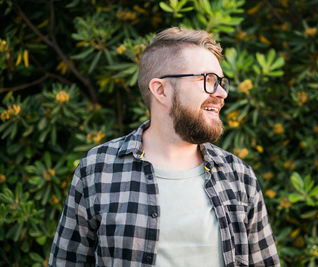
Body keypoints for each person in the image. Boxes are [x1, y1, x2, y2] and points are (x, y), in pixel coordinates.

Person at [49, 27, 280, 266]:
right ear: (161, 90)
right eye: (208, 80)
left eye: (221, 82)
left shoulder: (239, 176)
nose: (221, 93)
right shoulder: (98, 169)